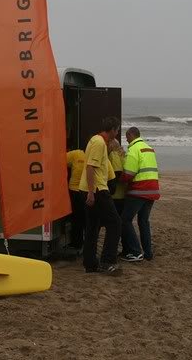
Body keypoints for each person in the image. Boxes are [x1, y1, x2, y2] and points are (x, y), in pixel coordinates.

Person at [79, 116, 122, 274]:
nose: (117, 134)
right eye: (117, 130)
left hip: (89, 188)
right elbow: (90, 167)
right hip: (97, 190)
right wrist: (91, 192)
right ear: (112, 130)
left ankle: (90, 264)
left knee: (93, 226)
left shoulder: (96, 141)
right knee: (115, 223)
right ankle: (107, 261)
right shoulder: (98, 143)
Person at [119, 127, 160, 262]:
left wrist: (118, 180)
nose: (126, 139)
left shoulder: (133, 149)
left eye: (127, 136)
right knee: (143, 221)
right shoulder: (149, 149)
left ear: (132, 135)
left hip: (138, 190)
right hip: (152, 190)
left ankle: (136, 251)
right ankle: (148, 253)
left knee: (125, 220)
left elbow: (129, 174)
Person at [65, 148, 87, 251]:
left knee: (78, 219)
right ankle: (79, 243)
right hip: (78, 191)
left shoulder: (77, 154)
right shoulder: (77, 154)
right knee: (79, 219)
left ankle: (77, 243)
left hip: (81, 191)